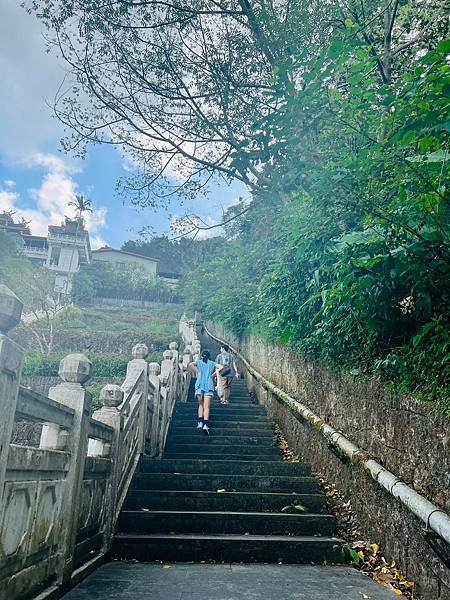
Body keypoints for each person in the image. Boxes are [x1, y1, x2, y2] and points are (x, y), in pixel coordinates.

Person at [189, 349, 223, 435]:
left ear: (201, 356)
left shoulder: (199, 362)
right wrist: (214, 374)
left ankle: (200, 422)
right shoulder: (212, 363)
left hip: (199, 385)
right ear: (209, 356)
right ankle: (205, 425)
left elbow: (190, 364)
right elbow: (221, 367)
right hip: (209, 385)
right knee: (206, 407)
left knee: (200, 405)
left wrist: (198, 372)